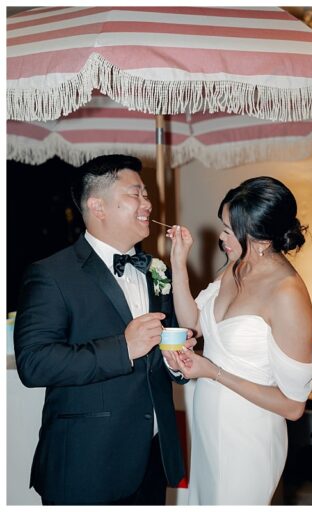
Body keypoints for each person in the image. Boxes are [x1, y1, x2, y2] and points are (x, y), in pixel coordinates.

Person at [14, 155, 191, 505]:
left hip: (151, 460)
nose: (148, 203)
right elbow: (34, 364)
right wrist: (123, 348)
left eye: (146, 195)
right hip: (86, 464)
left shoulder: (154, 270)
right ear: (98, 206)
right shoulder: (51, 274)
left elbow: (161, 354)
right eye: (136, 194)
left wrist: (176, 362)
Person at [163, 177, 312, 505]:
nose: (221, 237)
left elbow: (293, 406)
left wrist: (212, 372)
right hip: (207, 427)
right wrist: (178, 263)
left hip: (248, 437)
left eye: (229, 230)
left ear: (261, 238)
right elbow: (192, 323)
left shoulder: (287, 293)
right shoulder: (235, 268)